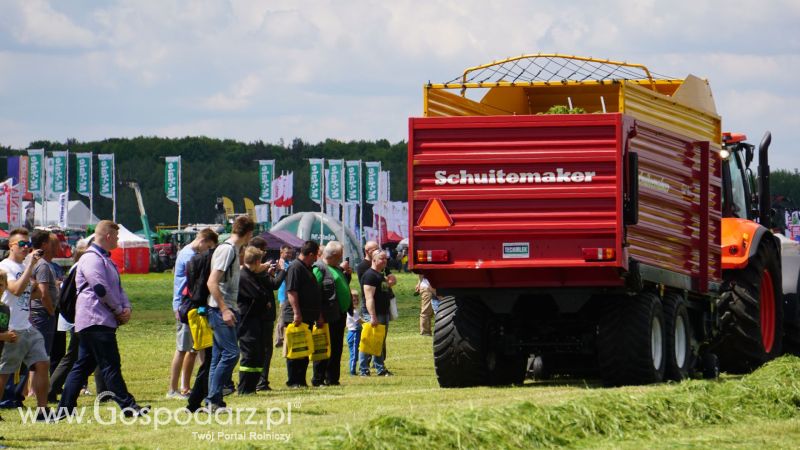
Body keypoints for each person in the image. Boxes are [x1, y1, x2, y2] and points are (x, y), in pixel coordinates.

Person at [57, 220, 148, 418]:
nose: (117, 239)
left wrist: (127, 307)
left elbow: (117, 288)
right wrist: (117, 310)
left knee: (82, 367)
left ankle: (64, 410)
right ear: (107, 236)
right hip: (95, 320)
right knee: (110, 364)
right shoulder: (92, 258)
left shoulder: (105, 259)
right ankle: (128, 406)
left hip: (97, 320)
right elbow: (100, 288)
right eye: (115, 236)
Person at [205, 215, 254, 410]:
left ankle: (214, 400)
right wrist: (225, 309)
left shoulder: (232, 249)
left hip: (224, 308)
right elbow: (212, 282)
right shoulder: (227, 250)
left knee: (218, 356)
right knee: (232, 354)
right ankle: (212, 398)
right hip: (220, 310)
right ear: (249, 233)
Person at [0, 228, 50, 418]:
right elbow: (16, 290)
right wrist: (30, 266)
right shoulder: (5, 266)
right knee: (4, 373)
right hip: (11, 329)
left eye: (28, 244)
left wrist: (31, 279)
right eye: (21, 244)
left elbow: (36, 293)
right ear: (11, 246)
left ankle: (42, 410)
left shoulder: (22, 267)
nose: (26, 247)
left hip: (28, 328)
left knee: (43, 363)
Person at [48, 239, 104, 403]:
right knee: (94, 355)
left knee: (75, 357)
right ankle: (105, 392)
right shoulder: (83, 268)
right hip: (85, 318)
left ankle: (52, 389)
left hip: (79, 318)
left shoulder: (75, 268)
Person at [167, 228, 218, 400]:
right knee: (183, 349)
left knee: (195, 348)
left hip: (190, 306)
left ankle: (191, 387)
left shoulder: (187, 252)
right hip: (186, 306)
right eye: (208, 247)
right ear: (203, 241)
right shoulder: (190, 256)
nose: (208, 252)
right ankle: (174, 389)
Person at [236, 246, 280, 394]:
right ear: (256, 261)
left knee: (258, 353)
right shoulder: (244, 276)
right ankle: (244, 388)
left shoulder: (252, 274)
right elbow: (258, 295)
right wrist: (265, 301)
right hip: (247, 321)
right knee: (249, 355)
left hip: (256, 320)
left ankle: (252, 386)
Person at [311, 241, 352, 386]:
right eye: (340, 256)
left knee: (336, 348)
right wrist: (319, 315)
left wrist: (347, 276)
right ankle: (318, 378)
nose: (342, 258)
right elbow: (314, 293)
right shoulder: (320, 268)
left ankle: (333, 378)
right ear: (334, 255)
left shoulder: (336, 268)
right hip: (326, 315)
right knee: (324, 347)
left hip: (339, 314)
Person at [283, 240, 322, 388]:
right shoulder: (295, 267)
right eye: (316, 255)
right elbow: (292, 291)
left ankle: (301, 380)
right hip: (297, 316)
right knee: (296, 348)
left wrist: (317, 314)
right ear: (310, 254)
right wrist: (297, 313)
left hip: (308, 316)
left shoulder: (308, 268)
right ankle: (293, 380)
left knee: (304, 349)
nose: (317, 258)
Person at [358, 249, 393, 377]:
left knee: (378, 341)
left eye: (385, 259)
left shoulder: (380, 274)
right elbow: (369, 298)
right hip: (374, 314)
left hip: (383, 313)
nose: (385, 261)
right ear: (373, 260)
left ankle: (380, 368)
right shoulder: (370, 276)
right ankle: (363, 369)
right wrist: (372, 316)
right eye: (381, 259)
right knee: (368, 341)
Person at [28, 230, 58, 358]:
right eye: (50, 243)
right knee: (41, 357)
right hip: (42, 314)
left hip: (32, 312)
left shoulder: (28, 260)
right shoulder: (42, 264)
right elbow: (43, 293)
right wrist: (51, 313)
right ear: (45, 244)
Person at [273, 245, 294, 349]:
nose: (289, 255)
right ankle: (278, 340)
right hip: (283, 295)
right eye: (287, 253)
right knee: (282, 318)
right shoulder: (279, 263)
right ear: (281, 252)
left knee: (285, 318)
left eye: (290, 253)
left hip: (289, 294)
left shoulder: (289, 263)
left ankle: (282, 338)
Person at [346, 289, 363, 376]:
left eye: (357, 300)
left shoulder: (355, 310)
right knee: (354, 353)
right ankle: (352, 371)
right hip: (354, 333)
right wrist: (368, 323)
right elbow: (360, 321)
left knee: (356, 352)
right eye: (353, 300)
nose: (356, 302)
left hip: (355, 332)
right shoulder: (352, 311)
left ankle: (355, 369)